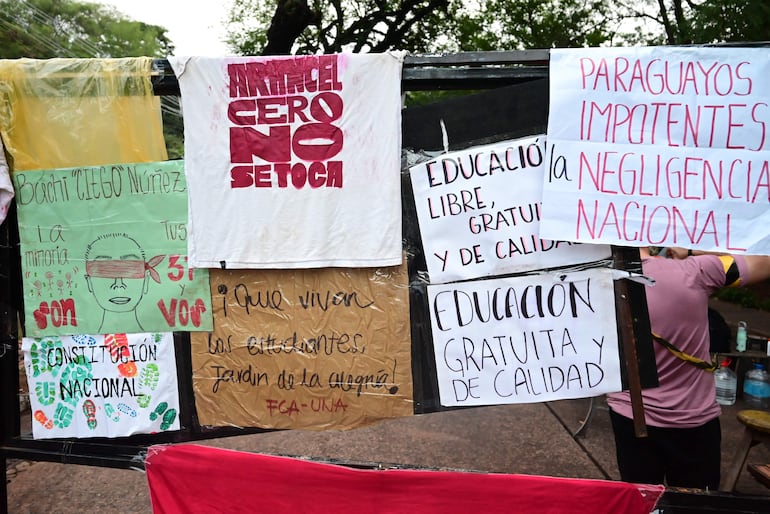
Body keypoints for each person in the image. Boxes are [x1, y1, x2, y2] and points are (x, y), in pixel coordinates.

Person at [606, 246, 770, 490]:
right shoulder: (697, 270)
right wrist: (692, 250)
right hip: (693, 420)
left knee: (641, 501)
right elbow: (764, 262)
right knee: (695, 502)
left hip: (629, 413)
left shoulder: (596, 279)